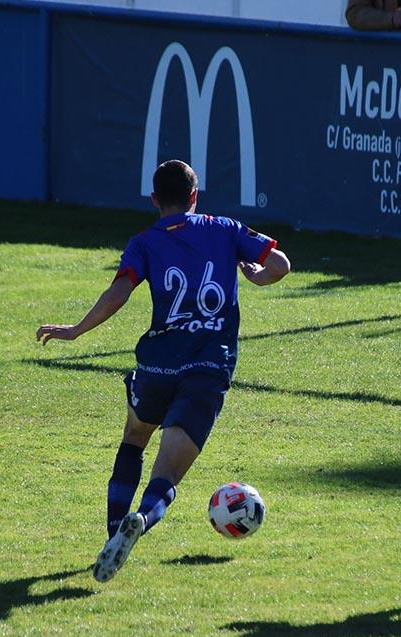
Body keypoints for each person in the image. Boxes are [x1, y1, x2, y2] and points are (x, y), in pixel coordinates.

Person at [36, 160, 291, 583]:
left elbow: (119, 292)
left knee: (134, 439)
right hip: (208, 366)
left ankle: (113, 531)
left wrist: (76, 330)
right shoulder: (225, 228)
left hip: (158, 362)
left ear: (155, 200)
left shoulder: (144, 242)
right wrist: (260, 278)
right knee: (166, 473)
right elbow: (280, 263)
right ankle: (140, 520)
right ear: (195, 196)